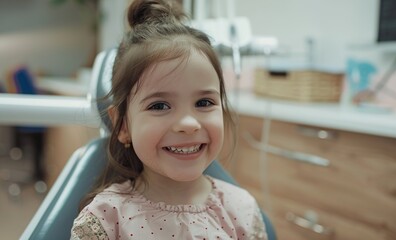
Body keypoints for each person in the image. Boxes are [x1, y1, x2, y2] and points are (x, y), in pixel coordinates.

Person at [70, 0, 268, 239]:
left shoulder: (241, 211)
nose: (188, 124)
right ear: (123, 125)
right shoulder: (106, 221)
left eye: (204, 103)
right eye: (159, 105)